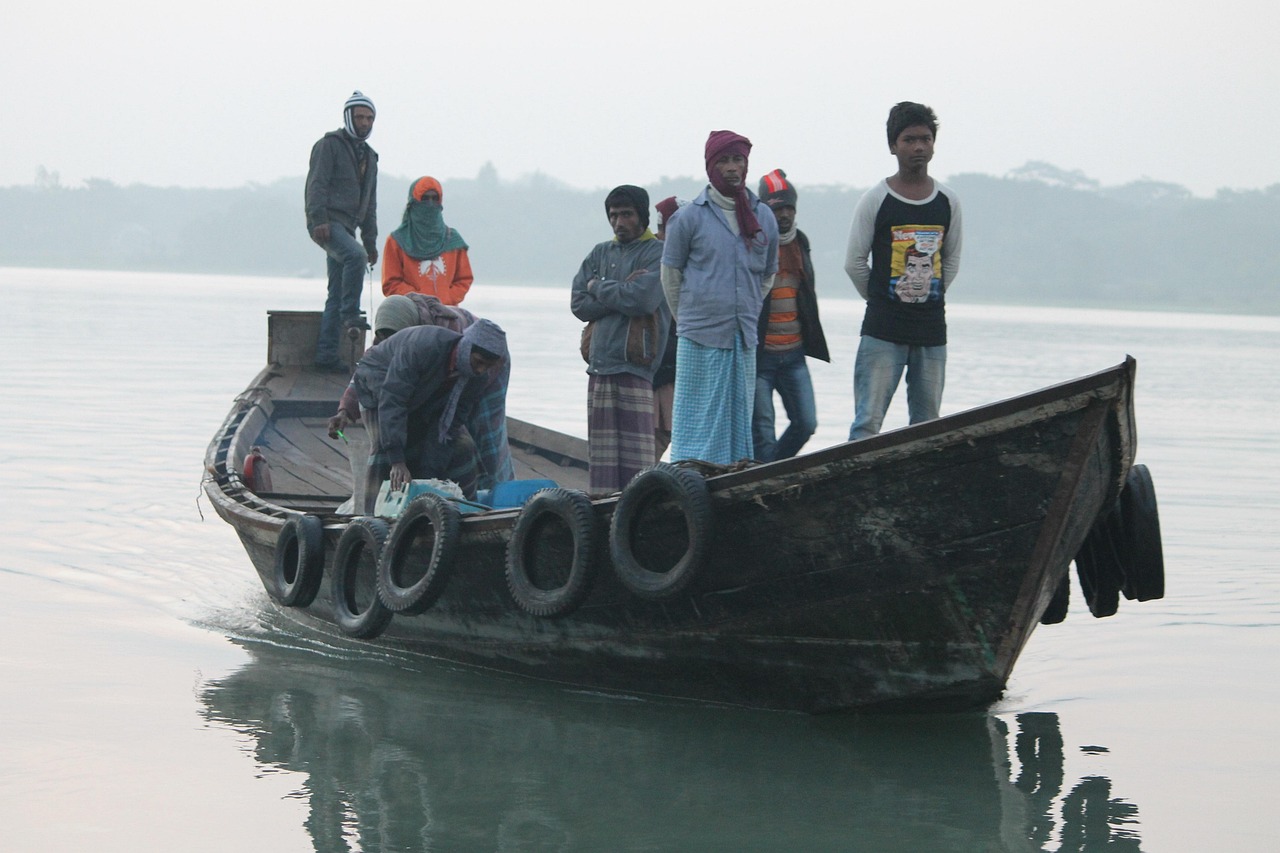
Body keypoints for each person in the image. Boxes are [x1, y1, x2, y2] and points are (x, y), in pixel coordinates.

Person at [844, 101, 963, 440]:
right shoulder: (876, 199)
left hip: (931, 332)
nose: (919, 147)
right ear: (893, 146)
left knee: (928, 426)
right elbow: (853, 262)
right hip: (882, 330)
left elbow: (950, 261)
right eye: (909, 140)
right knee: (867, 422)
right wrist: (883, 298)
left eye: (926, 139)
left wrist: (926, 295)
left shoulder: (947, 201)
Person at [329, 294, 515, 510]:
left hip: (430, 388)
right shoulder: (422, 345)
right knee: (384, 447)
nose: (481, 370)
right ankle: (370, 514)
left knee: (462, 447)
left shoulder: (476, 373)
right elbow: (393, 399)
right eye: (479, 363)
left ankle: (468, 508)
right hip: (380, 385)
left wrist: (428, 479)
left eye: (486, 366)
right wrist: (397, 460)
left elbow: (451, 423)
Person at [661, 131, 778, 465]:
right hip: (698, 335)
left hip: (742, 336)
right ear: (711, 166)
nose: (732, 168)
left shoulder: (763, 217)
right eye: (724, 160)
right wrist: (688, 317)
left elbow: (768, 274)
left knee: (737, 415)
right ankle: (688, 477)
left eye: (737, 160)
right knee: (695, 417)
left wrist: (746, 306)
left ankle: (730, 475)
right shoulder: (689, 218)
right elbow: (671, 275)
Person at [571, 185, 669, 495]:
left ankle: (637, 514)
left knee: (636, 462)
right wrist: (619, 292)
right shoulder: (600, 252)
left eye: (626, 214)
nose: (618, 222)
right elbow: (577, 303)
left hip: (636, 368)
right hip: (600, 367)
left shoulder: (658, 253)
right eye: (613, 215)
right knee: (602, 463)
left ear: (641, 215)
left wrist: (598, 287)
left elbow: (642, 300)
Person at [752, 169, 830, 462]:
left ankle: (773, 469)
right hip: (762, 356)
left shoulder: (801, 242)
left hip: (794, 353)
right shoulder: (754, 244)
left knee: (806, 423)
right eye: (776, 208)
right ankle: (763, 476)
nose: (783, 214)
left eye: (788, 207)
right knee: (761, 429)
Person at [305, 90, 380, 372]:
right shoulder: (329, 145)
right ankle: (351, 314)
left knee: (335, 292)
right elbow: (317, 184)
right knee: (354, 257)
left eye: (369, 118)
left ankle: (326, 355)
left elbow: (369, 203)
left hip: (348, 227)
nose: (364, 122)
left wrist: (371, 241)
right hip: (327, 222)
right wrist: (318, 218)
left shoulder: (370, 157)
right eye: (360, 116)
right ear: (348, 117)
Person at [381, 176, 474, 305]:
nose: (430, 203)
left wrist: (447, 298)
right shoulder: (397, 241)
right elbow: (391, 283)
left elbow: (464, 279)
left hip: (447, 313)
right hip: (411, 312)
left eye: (435, 198)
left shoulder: (453, 240)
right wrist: (417, 299)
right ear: (413, 203)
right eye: (425, 198)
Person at [650, 195, 685, 460]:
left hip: (674, 369)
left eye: (663, 228)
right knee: (656, 437)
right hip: (659, 371)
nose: (659, 235)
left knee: (665, 435)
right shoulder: (655, 262)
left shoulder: (689, 263)